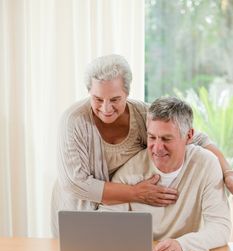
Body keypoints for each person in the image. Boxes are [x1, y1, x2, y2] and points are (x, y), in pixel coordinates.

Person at [51, 54, 233, 235]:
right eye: (97, 99)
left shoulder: (142, 114)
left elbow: (196, 139)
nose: (106, 108)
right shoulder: (73, 121)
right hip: (78, 208)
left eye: (115, 99)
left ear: (127, 93)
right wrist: (135, 193)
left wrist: (227, 173)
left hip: (116, 209)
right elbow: (76, 184)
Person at [100, 97, 232, 251]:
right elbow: (105, 225)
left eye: (166, 139)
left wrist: (182, 245)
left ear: (189, 135)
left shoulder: (206, 164)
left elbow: (220, 227)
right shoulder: (130, 171)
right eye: (152, 137)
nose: (157, 148)